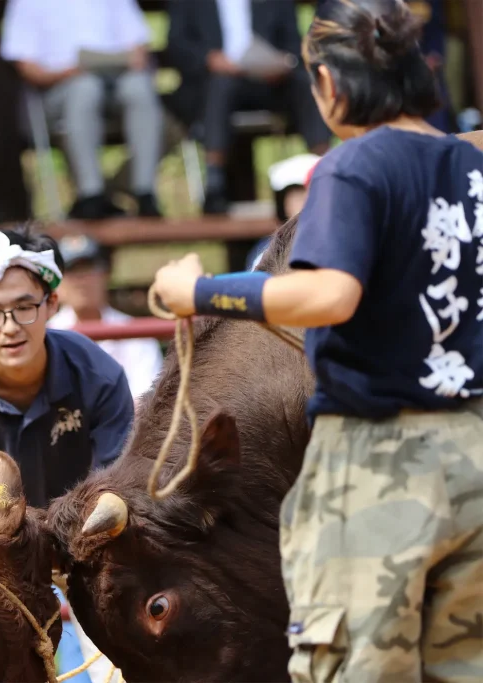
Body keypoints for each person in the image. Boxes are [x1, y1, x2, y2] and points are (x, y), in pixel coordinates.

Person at [151, 1, 483, 680]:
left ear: (331, 83)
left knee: (356, 664)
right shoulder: (468, 164)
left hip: (379, 456)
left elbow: (331, 294)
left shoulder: (353, 164)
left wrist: (202, 292)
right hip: (473, 448)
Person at [0, 225, 134, 683]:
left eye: (24, 307)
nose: (10, 327)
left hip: (88, 550)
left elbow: (119, 483)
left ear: (52, 304)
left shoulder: (100, 375)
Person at [165, 0, 333, 215]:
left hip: (270, 82)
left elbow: (293, 43)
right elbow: (178, 43)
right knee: (220, 86)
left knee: (305, 85)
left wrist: (281, 62)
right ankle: (215, 182)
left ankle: (325, 172)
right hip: (213, 84)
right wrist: (209, 59)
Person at [0, 0, 164, 219]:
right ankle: (91, 195)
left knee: (140, 87)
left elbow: (138, 50)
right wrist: (69, 72)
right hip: (57, 91)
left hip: (114, 84)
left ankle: (145, 193)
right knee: (85, 87)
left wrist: (125, 62)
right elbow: (27, 67)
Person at [49, 234, 164, 399]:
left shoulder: (136, 334)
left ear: (105, 274)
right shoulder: (46, 335)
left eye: (89, 268)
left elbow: (146, 401)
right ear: (58, 282)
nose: (82, 280)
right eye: (73, 271)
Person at [247, 152, 320, 270]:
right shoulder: (266, 252)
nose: (305, 204)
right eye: (298, 197)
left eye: (312, 196)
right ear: (284, 204)